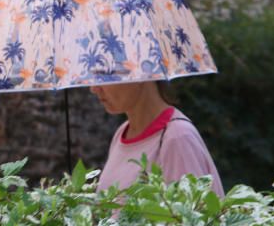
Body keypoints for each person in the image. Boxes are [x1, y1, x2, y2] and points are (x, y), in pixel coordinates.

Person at [93, 81, 224, 197]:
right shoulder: (122, 132)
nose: (94, 88)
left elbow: (194, 220)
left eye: (104, 75)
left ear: (140, 72)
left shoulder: (177, 137)